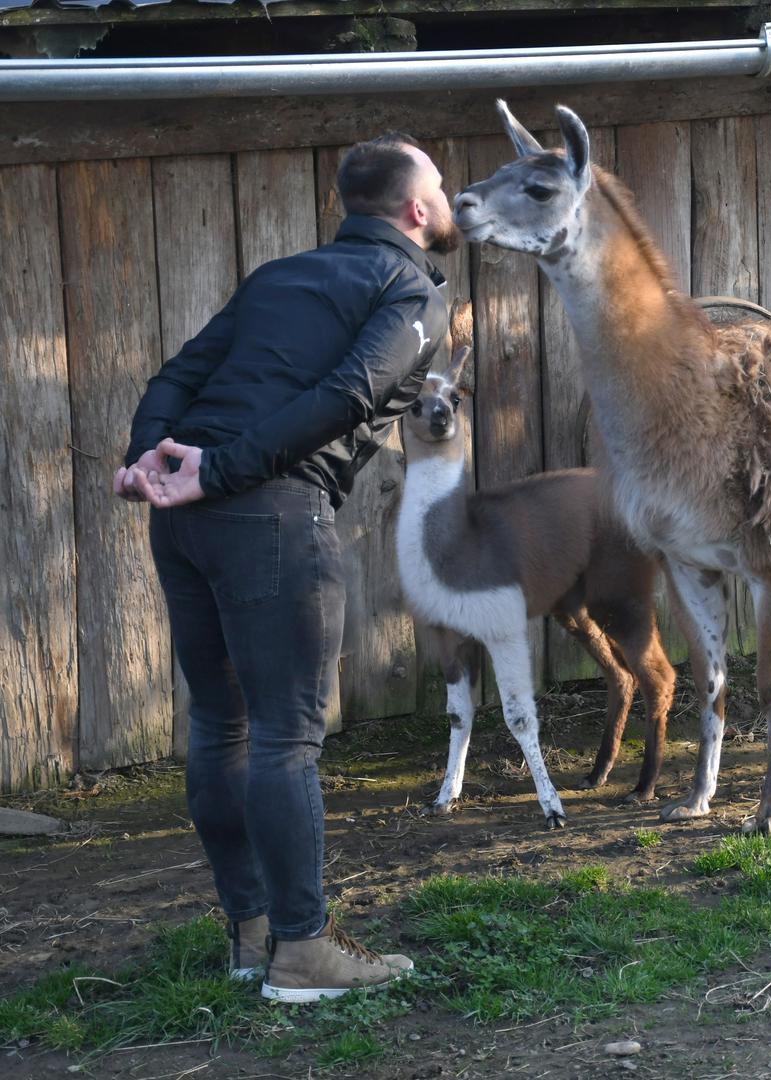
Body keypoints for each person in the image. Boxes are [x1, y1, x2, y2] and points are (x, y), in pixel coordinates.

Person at [114, 133, 459, 1003]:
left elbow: (180, 373)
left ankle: (252, 933)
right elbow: (349, 392)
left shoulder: (279, 276)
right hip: (267, 514)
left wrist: (148, 458)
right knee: (283, 737)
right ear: (416, 210)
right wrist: (219, 469)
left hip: (186, 524)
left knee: (220, 728)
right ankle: (304, 953)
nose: (450, 199)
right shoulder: (411, 287)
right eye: (443, 187)